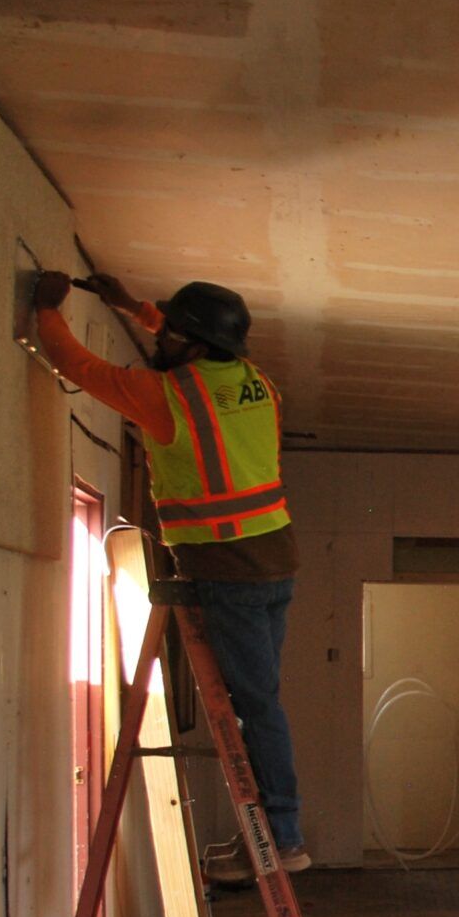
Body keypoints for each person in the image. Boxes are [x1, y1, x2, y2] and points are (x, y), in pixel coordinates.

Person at [29, 270, 307, 879]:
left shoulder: (166, 394)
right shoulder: (255, 382)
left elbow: (75, 364)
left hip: (225, 566)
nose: (165, 340)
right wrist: (133, 307)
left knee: (255, 705)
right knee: (258, 702)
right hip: (275, 559)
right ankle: (268, 833)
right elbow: (189, 344)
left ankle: (282, 836)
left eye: (175, 332)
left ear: (195, 343)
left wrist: (47, 309)